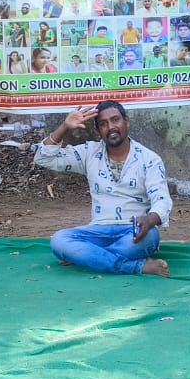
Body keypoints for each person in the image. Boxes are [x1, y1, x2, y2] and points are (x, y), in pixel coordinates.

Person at [34, 103, 172, 277]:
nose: (111, 127)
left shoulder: (149, 159)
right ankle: (135, 267)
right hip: (98, 231)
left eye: (115, 120)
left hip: (133, 231)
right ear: (99, 130)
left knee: (151, 237)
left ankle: (85, 255)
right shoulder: (89, 153)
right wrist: (64, 127)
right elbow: (43, 158)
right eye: (103, 124)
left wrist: (150, 220)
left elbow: (162, 199)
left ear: (127, 121)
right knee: (59, 240)